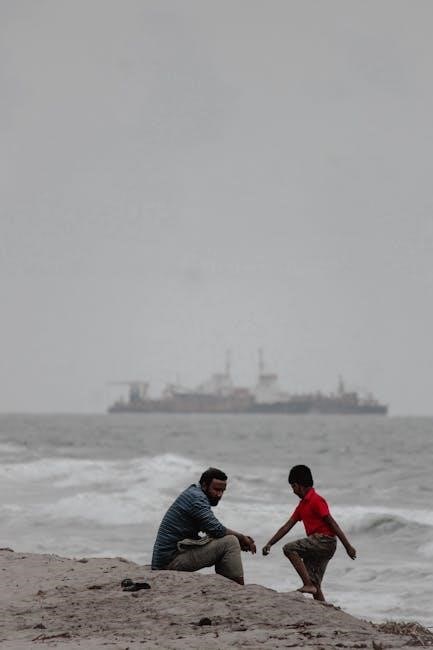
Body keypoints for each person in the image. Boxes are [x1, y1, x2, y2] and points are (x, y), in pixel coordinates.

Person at [262, 464, 356, 601]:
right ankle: (324, 608)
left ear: (300, 485)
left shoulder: (316, 500)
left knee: (289, 549)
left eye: (293, 487)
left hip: (324, 540)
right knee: (315, 583)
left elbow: (332, 523)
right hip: (323, 545)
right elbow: (286, 527)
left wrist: (348, 546)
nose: (293, 491)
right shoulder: (302, 505)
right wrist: (270, 543)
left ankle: (307, 584)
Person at [151, 467, 256, 584]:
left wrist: (239, 539)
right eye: (216, 490)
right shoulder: (197, 499)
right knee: (230, 542)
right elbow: (217, 530)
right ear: (205, 485)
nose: (219, 495)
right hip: (168, 563)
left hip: (169, 558)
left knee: (226, 540)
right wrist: (242, 538)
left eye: (223, 491)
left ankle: (227, 583)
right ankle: (237, 586)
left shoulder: (194, 493)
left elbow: (212, 530)